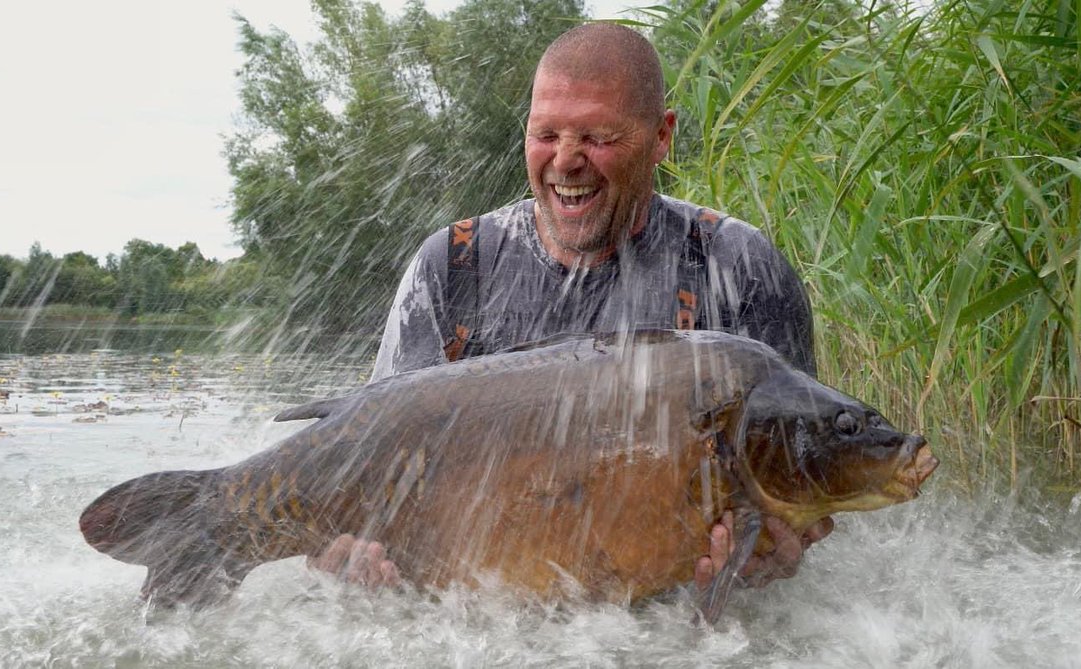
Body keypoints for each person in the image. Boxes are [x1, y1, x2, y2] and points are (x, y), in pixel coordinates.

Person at [308, 22, 833, 596]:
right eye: (546, 134)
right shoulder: (454, 267)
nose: (565, 160)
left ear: (661, 136)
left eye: (597, 136)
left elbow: (804, 478)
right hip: (476, 616)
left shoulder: (739, 268)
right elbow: (372, 457)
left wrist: (777, 551)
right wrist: (347, 555)